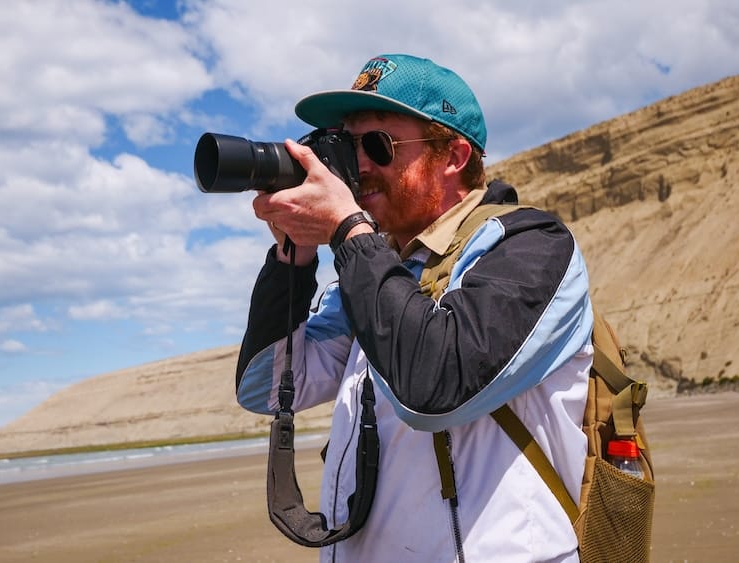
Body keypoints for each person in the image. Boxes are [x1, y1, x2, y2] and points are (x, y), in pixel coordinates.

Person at [235, 54, 594, 562]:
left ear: (453, 155)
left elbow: (437, 389)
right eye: (345, 146)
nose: (356, 167)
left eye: (378, 145)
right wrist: (293, 256)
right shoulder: (374, 272)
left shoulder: (531, 246)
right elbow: (264, 387)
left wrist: (347, 229)